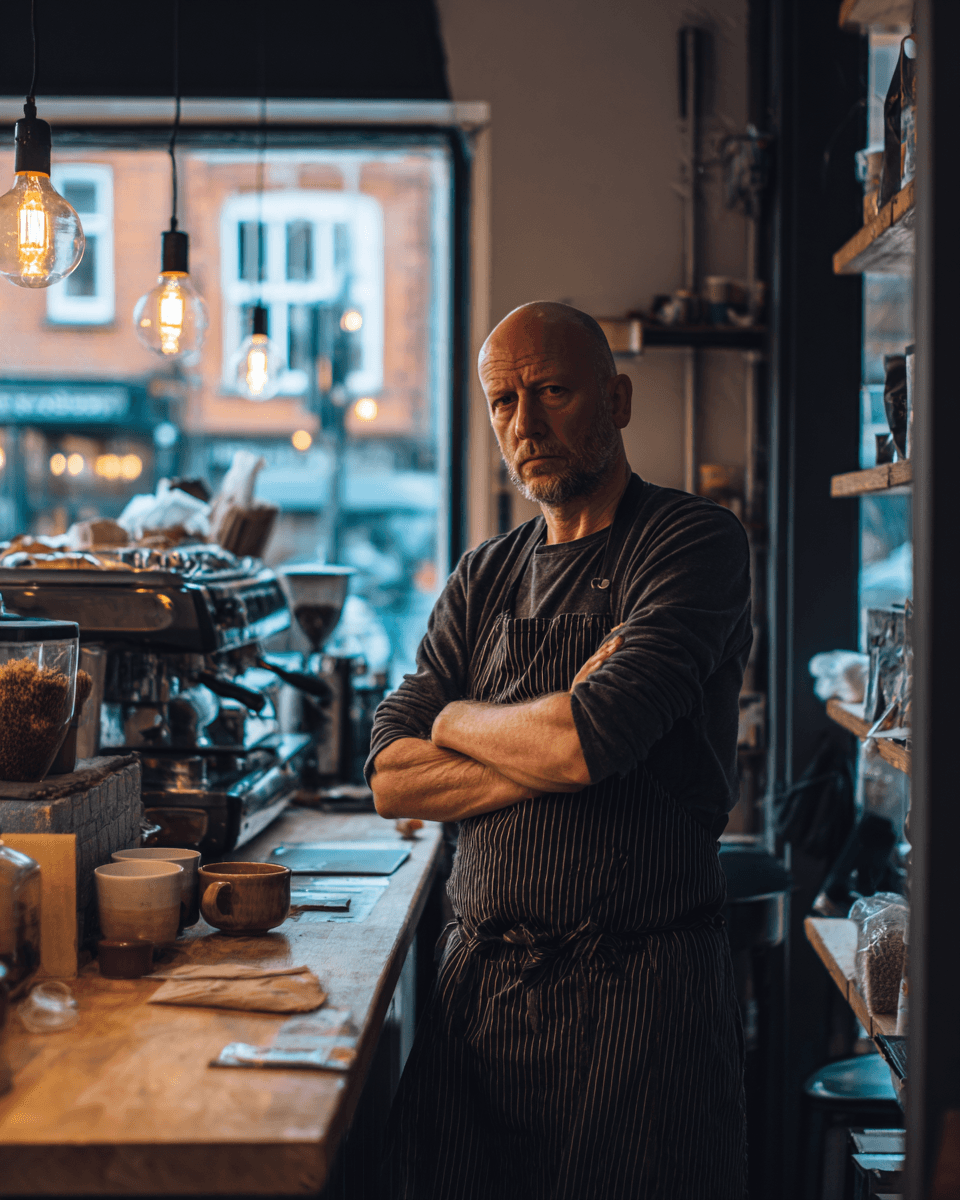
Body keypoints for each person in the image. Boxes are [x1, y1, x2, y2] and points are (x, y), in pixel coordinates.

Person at [368, 302, 751, 1199]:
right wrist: (527, 736)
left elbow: (587, 742)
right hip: (481, 1001)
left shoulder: (692, 542)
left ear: (616, 400)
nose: (524, 425)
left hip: (640, 1008)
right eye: (503, 401)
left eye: (553, 392)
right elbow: (390, 775)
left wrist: (457, 720)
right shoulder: (482, 573)